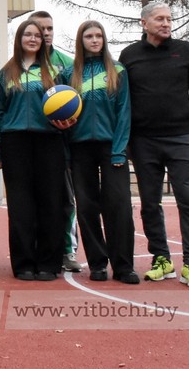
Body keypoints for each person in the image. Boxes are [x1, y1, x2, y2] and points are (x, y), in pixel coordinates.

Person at [119, 2, 189, 288]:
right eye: (159, 19)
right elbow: (123, 100)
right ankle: (161, 258)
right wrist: (125, 140)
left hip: (181, 137)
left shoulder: (185, 51)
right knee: (150, 203)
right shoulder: (129, 55)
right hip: (143, 141)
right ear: (144, 23)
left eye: (169, 19)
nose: (166, 23)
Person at [56, 20, 138, 284]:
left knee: (119, 206)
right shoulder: (69, 75)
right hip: (80, 149)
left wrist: (119, 151)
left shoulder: (118, 71)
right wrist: (67, 153)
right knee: (87, 207)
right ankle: (98, 264)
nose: (94, 40)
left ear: (104, 39)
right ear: (81, 41)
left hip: (111, 148)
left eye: (98, 36)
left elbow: (124, 113)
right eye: (89, 36)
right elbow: (62, 118)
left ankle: (123, 266)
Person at [0, 19, 65, 281]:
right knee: (21, 206)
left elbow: (71, 106)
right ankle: (23, 263)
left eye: (38, 35)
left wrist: (67, 124)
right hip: (15, 143)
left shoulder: (56, 72)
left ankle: (48, 263)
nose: (33, 39)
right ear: (19, 39)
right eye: (28, 34)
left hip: (49, 142)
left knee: (50, 203)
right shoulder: (6, 73)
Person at [31, 10, 81, 273]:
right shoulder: (23, 63)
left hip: (63, 142)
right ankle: (41, 248)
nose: (46, 33)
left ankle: (67, 250)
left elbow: (77, 101)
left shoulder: (66, 64)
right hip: (33, 145)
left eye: (50, 28)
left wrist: (70, 120)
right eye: (41, 29)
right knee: (38, 199)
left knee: (66, 199)